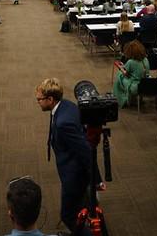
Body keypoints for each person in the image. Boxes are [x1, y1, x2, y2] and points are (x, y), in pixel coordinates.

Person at [35, 78, 91, 234]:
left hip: (73, 174)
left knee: (68, 216)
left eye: (39, 99)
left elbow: (85, 150)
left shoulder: (63, 122)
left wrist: (97, 179)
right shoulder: (66, 105)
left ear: (50, 99)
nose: (37, 102)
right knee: (86, 205)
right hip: (75, 168)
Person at [112, 39, 150, 107]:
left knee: (119, 76)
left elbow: (126, 74)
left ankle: (121, 99)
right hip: (146, 84)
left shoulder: (131, 62)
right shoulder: (146, 59)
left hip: (136, 86)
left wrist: (121, 68)